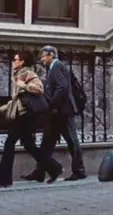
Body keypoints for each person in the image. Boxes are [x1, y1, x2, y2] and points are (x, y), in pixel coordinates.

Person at [0, 50, 63, 187]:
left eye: (15, 59)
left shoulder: (27, 73)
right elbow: (15, 101)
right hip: (23, 115)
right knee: (29, 145)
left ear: (22, 62)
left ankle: (3, 181)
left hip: (26, 115)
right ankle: (55, 168)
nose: (13, 61)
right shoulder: (17, 75)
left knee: (9, 143)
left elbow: (39, 88)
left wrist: (23, 85)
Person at [21, 46, 86, 182]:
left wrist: (51, 104)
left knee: (72, 141)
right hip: (56, 113)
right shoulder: (53, 68)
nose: (42, 59)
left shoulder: (57, 66)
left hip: (63, 112)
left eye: (44, 56)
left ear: (51, 55)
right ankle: (39, 172)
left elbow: (62, 88)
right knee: (47, 143)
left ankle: (79, 171)